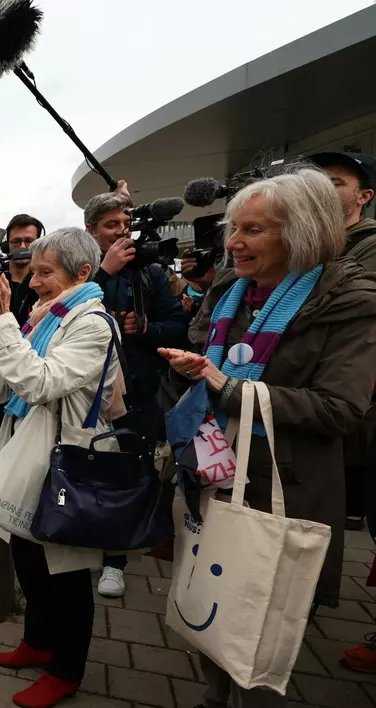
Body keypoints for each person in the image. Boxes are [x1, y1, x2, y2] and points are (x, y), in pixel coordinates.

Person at [157, 166, 376, 708]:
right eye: (233, 228)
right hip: (212, 477)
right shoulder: (230, 295)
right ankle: (213, 699)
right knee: (205, 604)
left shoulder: (349, 301)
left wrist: (227, 387)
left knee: (256, 627)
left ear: (301, 232)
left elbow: (341, 409)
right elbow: (203, 375)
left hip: (282, 490)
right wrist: (185, 375)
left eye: (253, 230)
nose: (233, 242)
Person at [0, 227, 119, 708]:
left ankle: (66, 670)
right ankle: (38, 641)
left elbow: (39, 383)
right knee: (28, 554)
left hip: (67, 459)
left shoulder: (93, 325)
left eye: (45, 272)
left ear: (83, 273)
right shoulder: (42, 318)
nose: (34, 282)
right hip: (28, 453)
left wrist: (2, 323)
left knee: (66, 568)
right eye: (33, 272)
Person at [84, 189, 190, 598]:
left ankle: (116, 561)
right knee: (87, 468)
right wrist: (103, 273)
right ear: (92, 230)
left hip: (138, 392)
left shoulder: (151, 273)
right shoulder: (82, 268)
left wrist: (145, 329)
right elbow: (62, 311)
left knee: (128, 473)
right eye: (110, 225)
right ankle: (84, 534)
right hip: (86, 391)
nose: (120, 232)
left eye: (125, 224)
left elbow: (178, 328)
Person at [307, 151, 376, 533]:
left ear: (363, 196)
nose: (323, 188)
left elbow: (351, 301)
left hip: (345, 388)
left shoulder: (369, 244)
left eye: (335, 183)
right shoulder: (308, 240)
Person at [0, 214, 43, 465]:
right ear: (6, 244)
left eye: (29, 241)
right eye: (16, 241)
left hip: (33, 375)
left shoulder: (44, 284)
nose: (22, 247)